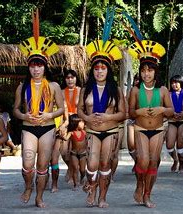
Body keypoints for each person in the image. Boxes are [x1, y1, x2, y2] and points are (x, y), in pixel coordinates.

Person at [13, 9, 64, 208]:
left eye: (39, 65)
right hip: (28, 127)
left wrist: (50, 114)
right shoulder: (22, 87)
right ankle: (28, 186)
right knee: (27, 163)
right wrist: (24, 114)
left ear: (45, 67)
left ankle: (39, 196)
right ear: (29, 67)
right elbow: (15, 109)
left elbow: (62, 108)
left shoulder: (53, 86)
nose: (36, 69)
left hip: (48, 127)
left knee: (43, 165)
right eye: (33, 66)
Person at [77, 23, 125, 207]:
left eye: (103, 69)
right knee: (92, 165)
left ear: (108, 70)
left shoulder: (116, 89)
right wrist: (87, 118)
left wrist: (109, 117)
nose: (99, 71)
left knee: (105, 165)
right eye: (96, 69)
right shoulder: (86, 89)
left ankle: (102, 197)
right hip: (92, 131)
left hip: (111, 131)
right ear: (93, 70)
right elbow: (79, 110)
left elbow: (123, 113)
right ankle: (91, 185)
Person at [128, 39, 173, 208]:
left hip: (158, 129)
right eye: (143, 70)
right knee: (143, 161)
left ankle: (147, 194)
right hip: (140, 128)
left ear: (155, 72)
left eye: (150, 70)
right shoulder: (134, 90)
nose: (146, 74)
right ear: (139, 72)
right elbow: (129, 112)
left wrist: (161, 109)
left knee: (153, 162)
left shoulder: (162, 90)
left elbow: (171, 111)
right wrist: (138, 112)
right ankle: (140, 184)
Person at [50, 69, 81, 192]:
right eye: (67, 78)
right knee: (64, 152)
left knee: (76, 152)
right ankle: (72, 169)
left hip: (79, 123)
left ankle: (76, 175)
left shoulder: (81, 91)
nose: (70, 80)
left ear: (76, 78)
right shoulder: (60, 92)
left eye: (72, 77)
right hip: (65, 122)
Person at [166, 75, 183, 173]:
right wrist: (171, 114)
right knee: (169, 145)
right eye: (172, 83)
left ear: (181, 83)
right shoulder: (167, 94)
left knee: (180, 144)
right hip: (172, 121)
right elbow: (163, 108)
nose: (174, 85)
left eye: (176, 82)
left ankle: (181, 164)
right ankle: (175, 160)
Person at [63, 114, 87, 190]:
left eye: (83, 122)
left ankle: (82, 178)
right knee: (75, 168)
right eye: (81, 122)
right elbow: (66, 139)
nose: (83, 124)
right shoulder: (71, 133)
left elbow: (88, 141)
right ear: (75, 123)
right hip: (73, 153)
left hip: (83, 154)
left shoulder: (84, 132)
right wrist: (62, 135)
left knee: (82, 170)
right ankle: (76, 184)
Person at [127, 74, 140, 172]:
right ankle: (137, 161)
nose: (137, 81)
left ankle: (140, 163)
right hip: (131, 120)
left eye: (139, 80)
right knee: (131, 145)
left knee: (141, 145)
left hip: (142, 121)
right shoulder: (130, 91)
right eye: (136, 79)